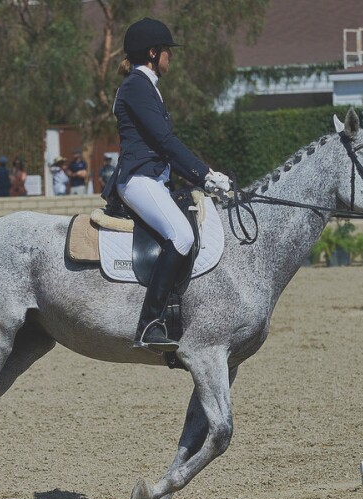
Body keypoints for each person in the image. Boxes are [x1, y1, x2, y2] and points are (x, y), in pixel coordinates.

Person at [103, 17, 230, 351]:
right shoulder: (135, 86)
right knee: (182, 235)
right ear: (152, 52)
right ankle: (149, 324)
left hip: (155, 179)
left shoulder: (147, 86)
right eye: (167, 52)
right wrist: (205, 174)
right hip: (138, 179)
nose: (170, 58)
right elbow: (164, 141)